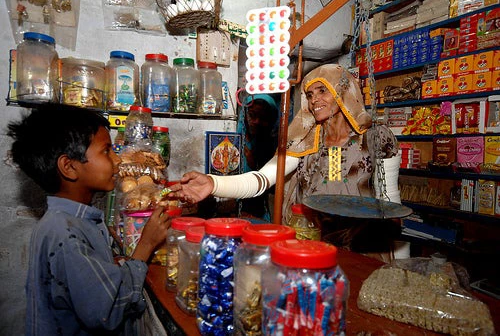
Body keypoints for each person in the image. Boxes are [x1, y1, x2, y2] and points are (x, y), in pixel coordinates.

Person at [169, 64, 398, 248]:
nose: (314, 100)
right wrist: (213, 183)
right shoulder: (304, 141)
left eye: (322, 91)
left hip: (362, 243)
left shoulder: (375, 137)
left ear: (344, 91)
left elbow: (392, 201)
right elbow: (261, 180)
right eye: (309, 94)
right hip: (312, 241)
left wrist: (398, 251)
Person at [8, 104, 171, 335]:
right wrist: (145, 246)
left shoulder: (69, 220)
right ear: (69, 167)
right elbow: (107, 308)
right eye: (106, 151)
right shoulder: (66, 233)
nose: (117, 161)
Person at [237, 93, 280, 221]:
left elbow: (272, 187)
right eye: (252, 115)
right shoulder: (232, 140)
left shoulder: (274, 148)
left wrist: (253, 163)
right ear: (244, 115)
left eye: (263, 118)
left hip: (258, 211)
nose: (257, 121)